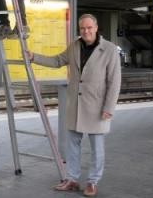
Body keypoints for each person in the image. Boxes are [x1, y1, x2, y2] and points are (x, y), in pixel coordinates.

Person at [25, 14, 121, 197]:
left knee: (97, 148)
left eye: (89, 28)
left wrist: (109, 108)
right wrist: (33, 57)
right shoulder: (75, 46)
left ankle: (93, 182)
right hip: (76, 106)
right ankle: (72, 179)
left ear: (96, 27)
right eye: (82, 28)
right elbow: (57, 61)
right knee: (72, 146)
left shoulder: (109, 50)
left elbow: (114, 82)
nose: (86, 31)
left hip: (97, 107)